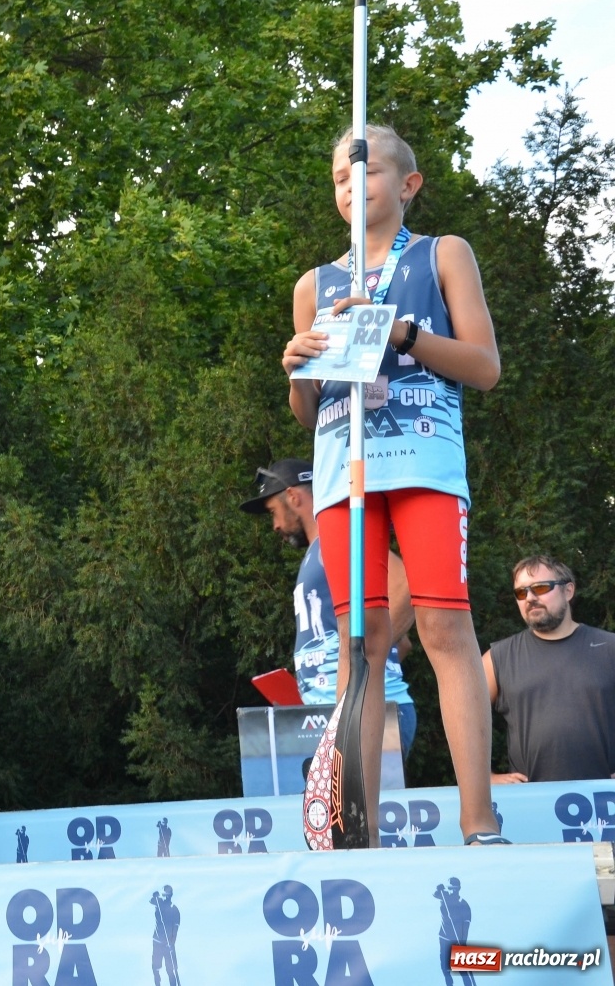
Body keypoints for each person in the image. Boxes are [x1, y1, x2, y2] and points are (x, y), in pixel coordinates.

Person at [281, 124, 504, 846]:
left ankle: (479, 820)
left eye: (367, 173)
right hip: (345, 472)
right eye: (341, 180)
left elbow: (484, 366)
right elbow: (307, 409)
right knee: (361, 642)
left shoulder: (444, 254)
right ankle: (359, 830)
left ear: (408, 185)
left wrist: (405, 336)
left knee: (443, 625)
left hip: (423, 461)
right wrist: (297, 367)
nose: (352, 188)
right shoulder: (315, 284)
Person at [240, 458, 419, 757]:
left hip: (369, 715)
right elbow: (402, 644)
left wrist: (360, 662)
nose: (274, 526)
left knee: (353, 805)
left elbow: (407, 588)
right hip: (344, 716)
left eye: (273, 512)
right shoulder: (321, 550)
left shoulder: (335, 540)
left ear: (293, 497)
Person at [483, 556, 615, 783]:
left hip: (604, 803)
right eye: (521, 593)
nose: (530, 598)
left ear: (568, 591)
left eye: (541, 588)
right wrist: (486, 777)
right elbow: (463, 719)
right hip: (534, 804)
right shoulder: (497, 658)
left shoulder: (610, 648)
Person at [150, 886, 181, 986]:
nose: (164, 898)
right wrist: (155, 896)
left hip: (168, 944)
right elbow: (152, 900)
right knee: (156, 968)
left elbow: (175, 929)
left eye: (166, 896)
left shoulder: (174, 910)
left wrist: (171, 943)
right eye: (163, 895)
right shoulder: (159, 904)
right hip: (157, 942)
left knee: (171, 970)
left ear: (170, 896)